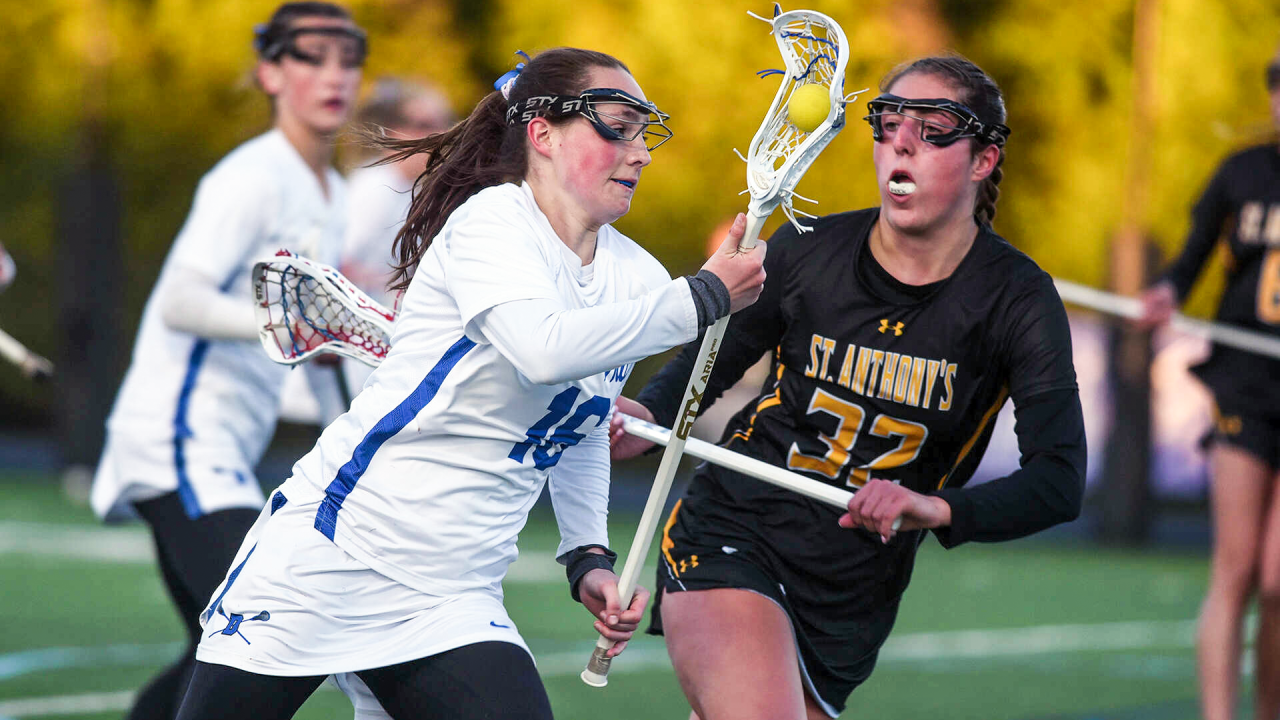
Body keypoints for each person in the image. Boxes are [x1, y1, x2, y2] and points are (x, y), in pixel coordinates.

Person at [173, 47, 767, 720]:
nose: (640, 152)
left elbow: (579, 422)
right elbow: (542, 353)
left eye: (644, 132)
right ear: (542, 133)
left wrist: (587, 556)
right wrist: (707, 295)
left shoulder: (638, 278)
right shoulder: (492, 226)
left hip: (450, 597)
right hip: (333, 552)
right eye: (616, 126)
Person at [610, 55, 1086, 720]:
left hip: (854, 589)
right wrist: (648, 412)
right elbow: (714, 360)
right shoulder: (809, 251)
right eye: (888, 122)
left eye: (934, 127)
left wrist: (935, 509)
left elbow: (1059, 480)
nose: (902, 139)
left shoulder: (1017, 301)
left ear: (983, 160)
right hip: (737, 530)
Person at [88, 3, 363, 718]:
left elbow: (322, 347)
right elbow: (180, 301)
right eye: (312, 56)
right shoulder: (251, 176)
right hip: (178, 440)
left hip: (222, 449)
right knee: (263, 625)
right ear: (271, 73)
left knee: (212, 649)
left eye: (349, 57)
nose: (335, 74)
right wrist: (298, 326)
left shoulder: (328, 191)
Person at [1136, 47, 1280, 720]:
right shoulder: (1242, 172)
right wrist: (1166, 292)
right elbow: (1189, 261)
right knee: (1237, 567)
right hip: (1244, 386)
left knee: (1277, 582)